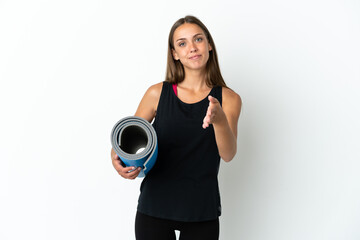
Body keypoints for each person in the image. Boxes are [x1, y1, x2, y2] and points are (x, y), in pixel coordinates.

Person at [111, 15, 242, 240]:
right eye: (182, 43)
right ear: (174, 54)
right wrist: (117, 159)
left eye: (198, 39)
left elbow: (228, 154)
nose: (192, 47)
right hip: (155, 207)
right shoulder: (157, 93)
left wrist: (219, 120)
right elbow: (127, 139)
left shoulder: (229, 99)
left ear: (209, 44)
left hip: (202, 210)